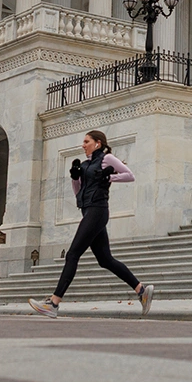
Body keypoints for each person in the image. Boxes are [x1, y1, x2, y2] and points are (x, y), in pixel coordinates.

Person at [29, 130, 154, 318]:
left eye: (86, 141)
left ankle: (53, 303)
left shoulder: (107, 158)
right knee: (105, 260)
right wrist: (75, 177)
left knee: (72, 254)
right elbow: (78, 193)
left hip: (98, 210)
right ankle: (141, 290)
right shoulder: (86, 165)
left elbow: (129, 175)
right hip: (88, 211)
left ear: (98, 143)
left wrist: (108, 177)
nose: (83, 145)